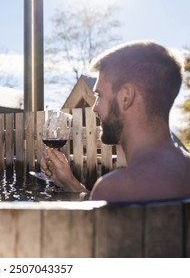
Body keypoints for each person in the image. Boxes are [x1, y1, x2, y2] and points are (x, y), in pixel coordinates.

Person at [40, 40, 190, 202]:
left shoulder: (117, 187)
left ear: (126, 96)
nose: (95, 108)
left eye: (100, 95)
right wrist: (71, 184)